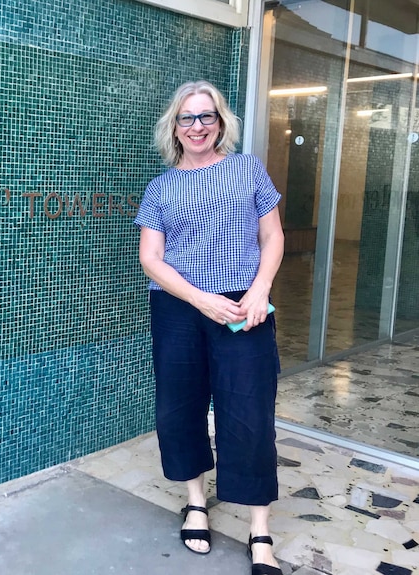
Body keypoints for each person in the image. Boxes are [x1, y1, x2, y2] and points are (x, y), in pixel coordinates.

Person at [134, 80, 284, 575]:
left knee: (250, 412)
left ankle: (259, 528)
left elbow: (273, 235)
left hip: (245, 308)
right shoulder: (161, 186)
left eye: (206, 116)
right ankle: (196, 501)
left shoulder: (247, 170)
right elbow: (150, 260)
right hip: (180, 309)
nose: (196, 126)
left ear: (221, 122)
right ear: (173, 127)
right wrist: (201, 300)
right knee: (179, 407)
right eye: (187, 118)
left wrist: (259, 290)